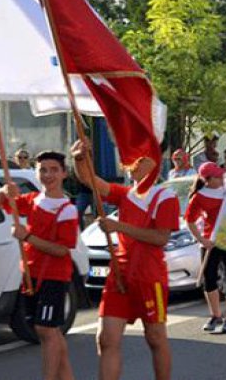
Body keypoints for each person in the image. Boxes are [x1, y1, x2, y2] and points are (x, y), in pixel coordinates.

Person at [71, 140, 179, 380]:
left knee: (155, 337)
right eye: (131, 158)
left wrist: (119, 226)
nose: (133, 164)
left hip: (149, 276)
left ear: (154, 162)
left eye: (140, 158)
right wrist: (80, 158)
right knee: (106, 339)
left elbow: (160, 237)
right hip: (119, 276)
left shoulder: (165, 196)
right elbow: (91, 181)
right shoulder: (126, 194)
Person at [0, 151, 77, 380]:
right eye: (43, 170)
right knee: (47, 331)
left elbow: (62, 249)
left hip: (53, 275)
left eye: (53, 170)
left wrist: (28, 237)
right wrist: (3, 192)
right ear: (36, 172)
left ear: (63, 173)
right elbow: (0, 203)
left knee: (46, 329)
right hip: (31, 274)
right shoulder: (32, 200)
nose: (48, 174)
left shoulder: (67, 209)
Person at [185, 162, 226, 334]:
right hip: (211, 241)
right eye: (217, 176)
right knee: (209, 278)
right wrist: (201, 239)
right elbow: (190, 220)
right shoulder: (199, 196)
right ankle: (215, 315)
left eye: (221, 175)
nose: (221, 178)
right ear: (207, 179)